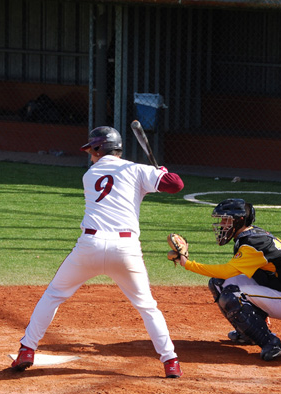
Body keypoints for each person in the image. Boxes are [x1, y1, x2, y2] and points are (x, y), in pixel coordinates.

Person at [12, 126, 185, 378]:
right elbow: (176, 185)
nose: (90, 156)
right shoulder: (136, 169)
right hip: (126, 250)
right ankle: (171, 362)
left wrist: (154, 176)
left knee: (54, 295)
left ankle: (27, 350)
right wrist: (161, 174)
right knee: (148, 307)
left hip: (89, 247)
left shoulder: (91, 174)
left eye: (91, 150)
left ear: (98, 149)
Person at [173, 198, 281, 362]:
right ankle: (247, 333)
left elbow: (227, 270)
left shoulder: (253, 243)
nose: (221, 224)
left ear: (239, 220)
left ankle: (272, 343)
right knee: (218, 283)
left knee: (233, 295)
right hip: (273, 291)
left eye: (225, 220)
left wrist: (187, 264)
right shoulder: (249, 237)